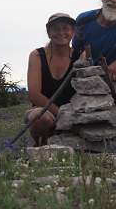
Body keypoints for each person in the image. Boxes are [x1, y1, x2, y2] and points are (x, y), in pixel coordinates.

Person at [25, 13, 76, 146]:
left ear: (73, 32)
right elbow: (34, 95)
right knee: (40, 118)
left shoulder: (79, 56)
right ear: (49, 33)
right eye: (56, 29)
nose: (61, 32)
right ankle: (39, 143)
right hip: (44, 110)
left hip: (74, 111)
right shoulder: (37, 55)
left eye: (65, 28)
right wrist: (61, 114)